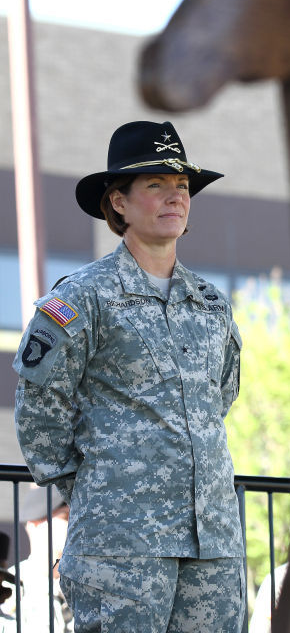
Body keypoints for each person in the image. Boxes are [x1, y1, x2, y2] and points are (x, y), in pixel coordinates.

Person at [14, 120, 245, 633]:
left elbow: (218, 397)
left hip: (214, 543)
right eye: (155, 185)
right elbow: (40, 412)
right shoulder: (81, 297)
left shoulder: (211, 304)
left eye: (182, 186)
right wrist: (100, 492)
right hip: (120, 545)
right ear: (118, 203)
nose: (174, 197)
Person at [1, 486, 73, 632]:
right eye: (66, 517)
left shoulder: (89, 585)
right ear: (36, 524)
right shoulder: (10, 588)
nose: (77, 528)